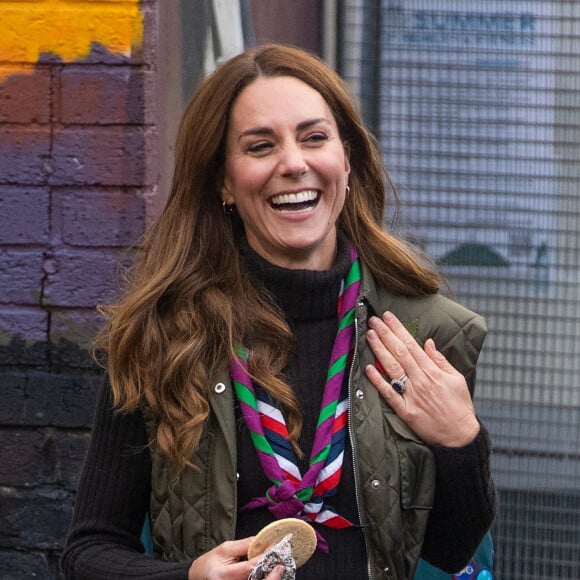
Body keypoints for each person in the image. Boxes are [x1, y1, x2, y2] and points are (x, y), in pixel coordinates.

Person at [61, 43, 497, 580]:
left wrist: (461, 443)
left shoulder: (427, 331)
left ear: (347, 159)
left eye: (314, 138)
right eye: (260, 146)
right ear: (223, 180)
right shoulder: (161, 336)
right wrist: (186, 578)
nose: (293, 164)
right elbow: (87, 552)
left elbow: (451, 552)